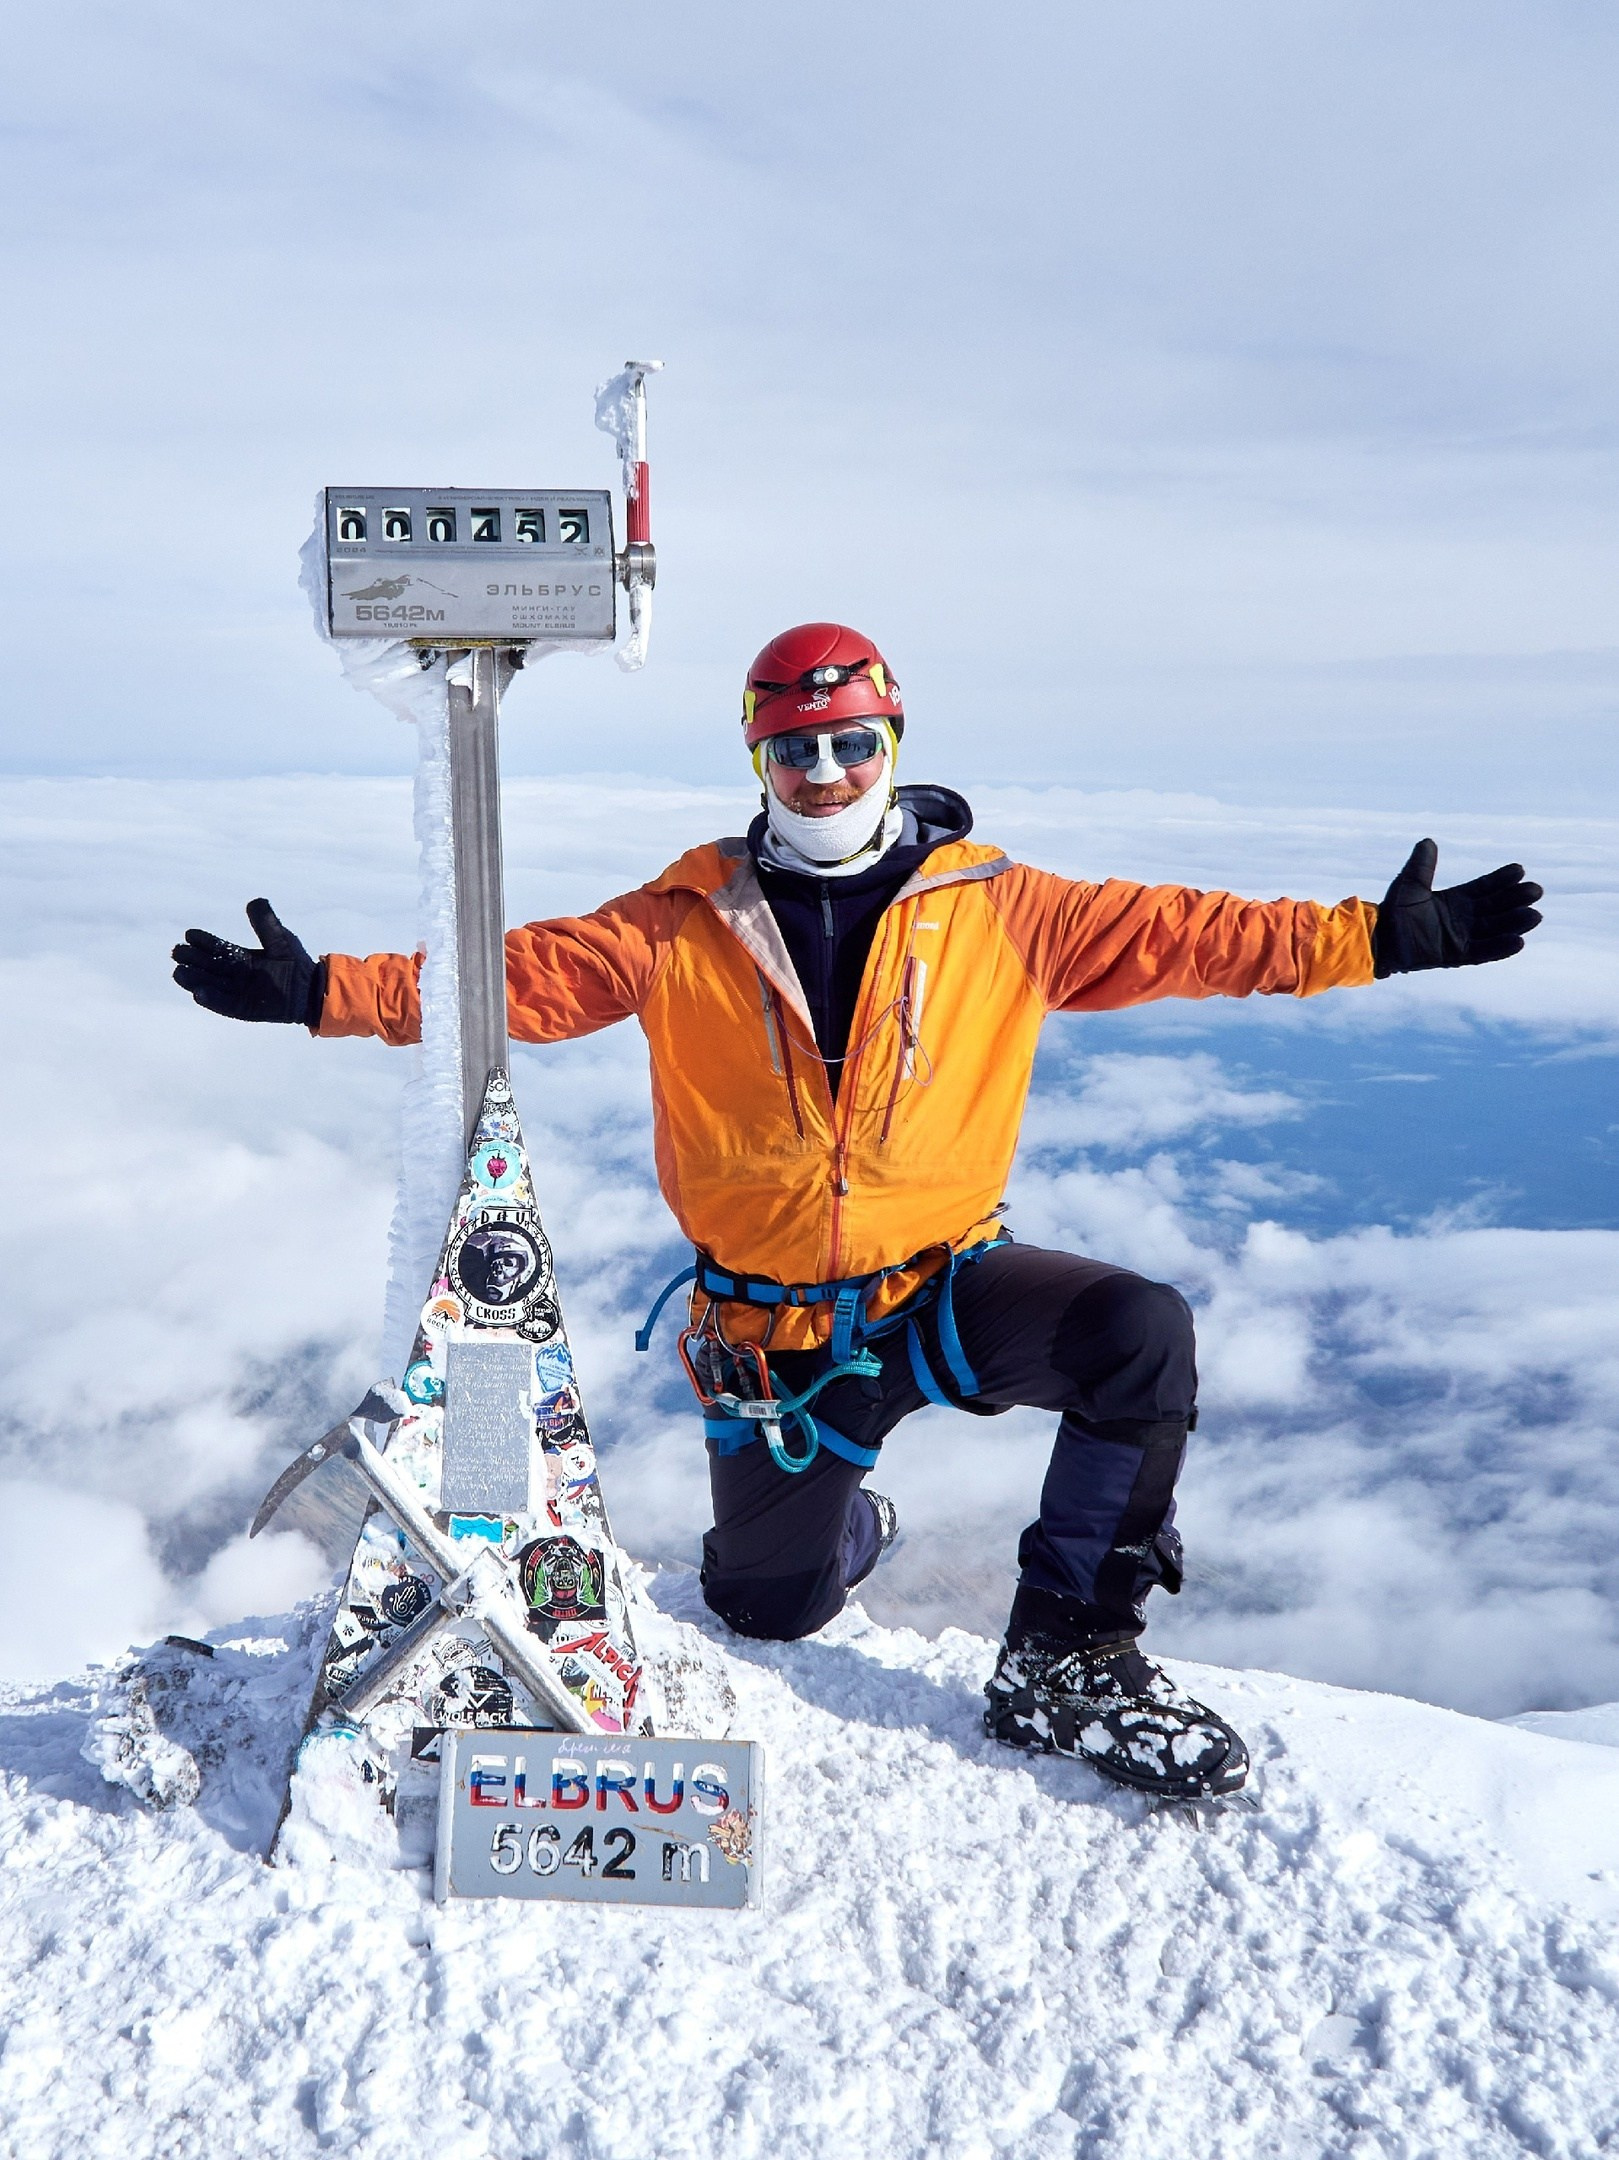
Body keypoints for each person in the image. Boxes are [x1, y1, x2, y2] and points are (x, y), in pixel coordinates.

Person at [172, 622, 1544, 1800]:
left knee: (1141, 1334)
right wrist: (319, 994)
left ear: (893, 743)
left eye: (852, 744)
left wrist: (1378, 936)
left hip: (943, 1293)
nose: (826, 773)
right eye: (794, 751)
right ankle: (849, 1531)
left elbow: (1200, 933)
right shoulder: (679, 919)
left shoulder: (1008, 909)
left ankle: (1068, 1660)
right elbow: (509, 980)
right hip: (773, 1345)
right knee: (763, 1610)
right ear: (756, 763)